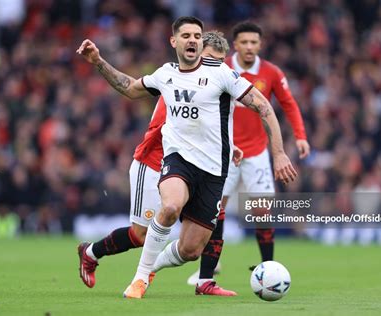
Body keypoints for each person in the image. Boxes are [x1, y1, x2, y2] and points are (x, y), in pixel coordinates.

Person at [76, 16, 297, 299]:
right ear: (174, 41)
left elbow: (259, 108)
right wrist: (98, 61)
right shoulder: (166, 74)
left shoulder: (220, 75)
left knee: (189, 249)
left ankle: (117, 258)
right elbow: (130, 88)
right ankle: (141, 278)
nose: (192, 40)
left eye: (197, 35)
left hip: (213, 170)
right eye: (187, 36)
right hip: (163, 160)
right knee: (169, 208)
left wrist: (270, 151)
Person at [187, 21, 311, 287]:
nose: (249, 47)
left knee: (261, 211)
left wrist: (300, 136)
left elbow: (289, 104)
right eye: (244, 42)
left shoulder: (272, 73)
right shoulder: (220, 67)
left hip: (256, 153)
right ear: (235, 45)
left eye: (254, 42)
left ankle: (269, 268)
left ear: (260, 44)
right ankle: (208, 269)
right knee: (216, 209)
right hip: (224, 151)